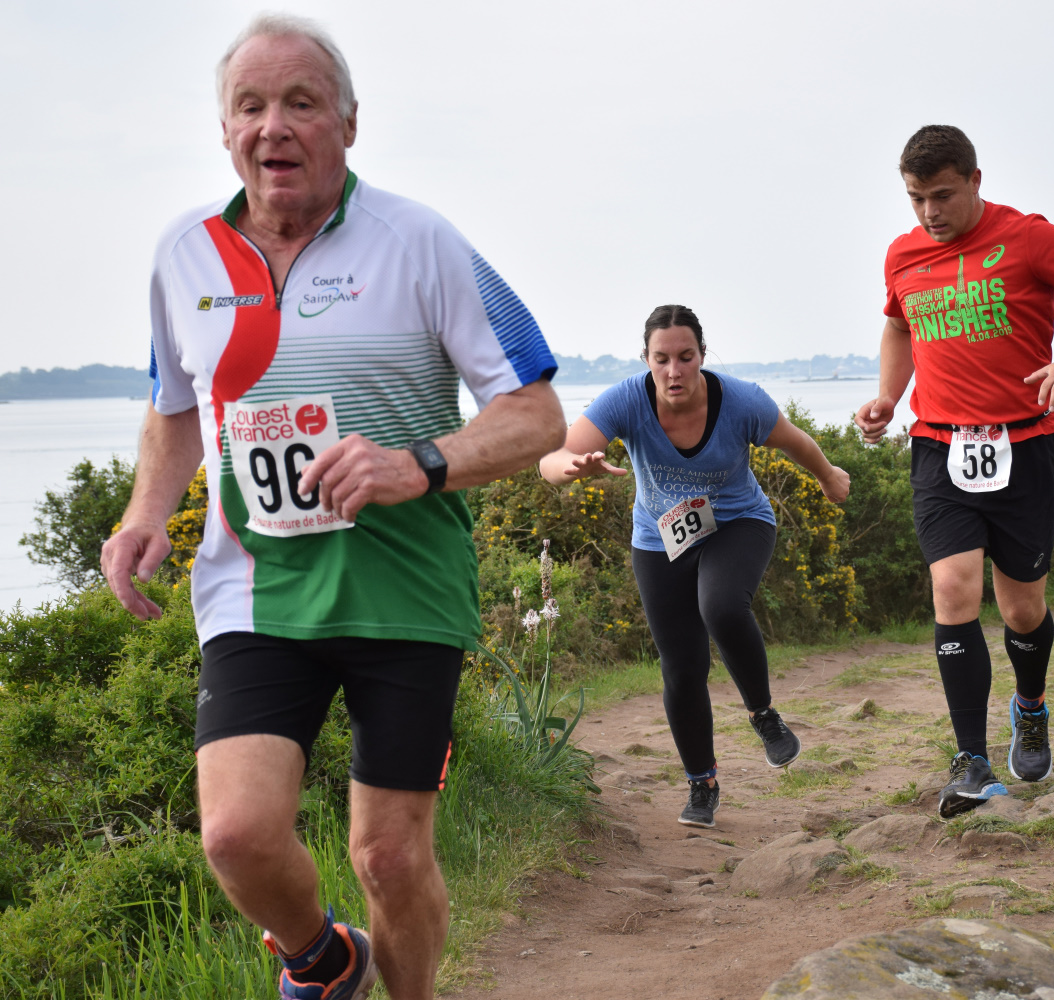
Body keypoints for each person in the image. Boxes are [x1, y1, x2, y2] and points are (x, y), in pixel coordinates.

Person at [99, 15, 565, 1000]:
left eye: (301, 103)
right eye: (251, 106)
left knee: (389, 856)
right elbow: (175, 407)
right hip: (255, 589)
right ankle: (323, 957)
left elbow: (536, 413)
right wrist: (144, 514)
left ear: (348, 124)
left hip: (406, 590)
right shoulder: (183, 256)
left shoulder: (422, 241)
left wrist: (419, 463)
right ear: (225, 129)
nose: (274, 125)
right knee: (235, 836)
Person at [855, 125, 1054, 818]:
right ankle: (971, 763)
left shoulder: (1027, 237)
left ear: (975, 181)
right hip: (939, 446)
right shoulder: (903, 255)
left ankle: (1030, 707)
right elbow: (899, 325)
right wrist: (888, 395)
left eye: (943, 195)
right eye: (916, 198)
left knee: (1020, 609)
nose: (929, 212)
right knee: (953, 588)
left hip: (1025, 446)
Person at [539, 305, 849, 828]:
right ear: (646, 359)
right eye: (661, 359)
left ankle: (763, 714)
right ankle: (701, 785)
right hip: (659, 540)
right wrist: (573, 468)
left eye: (685, 357)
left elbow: (795, 441)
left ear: (703, 355)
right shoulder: (625, 401)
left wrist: (828, 475)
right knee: (681, 668)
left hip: (739, 524)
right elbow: (552, 460)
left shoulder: (742, 401)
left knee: (721, 606)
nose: (674, 371)